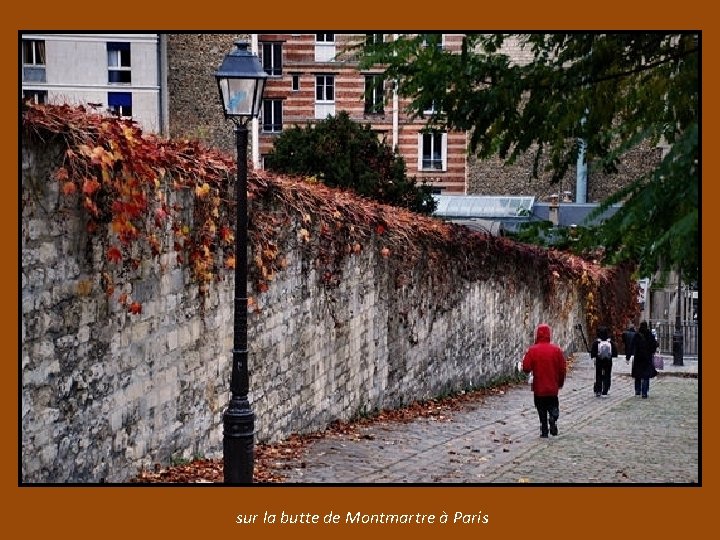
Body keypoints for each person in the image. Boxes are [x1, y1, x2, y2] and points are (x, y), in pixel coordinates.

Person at [521, 323, 567, 438]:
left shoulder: (532, 350)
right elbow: (562, 369)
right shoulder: (556, 350)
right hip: (552, 387)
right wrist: (560, 383)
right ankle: (553, 415)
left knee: (541, 408)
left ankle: (544, 430)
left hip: (539, 387)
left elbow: (526, 368)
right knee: (553, 405)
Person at [630, 321, 658, 398]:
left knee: (638, 374)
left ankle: (637, 390)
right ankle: (644, 392)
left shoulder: (637, 335)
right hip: (647, 357)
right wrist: (652, 352)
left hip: (638, 357)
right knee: (646, 375)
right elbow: (654, 346)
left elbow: (632, 345)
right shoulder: (650, 335)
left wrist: (628, 356)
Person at [590, 326, 618, 397]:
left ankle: (598, 390)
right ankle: (605, 389)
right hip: (608, 361)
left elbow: (592, 354)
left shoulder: (596, 343)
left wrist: (595, 356)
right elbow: (615, 353)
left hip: (599, 361)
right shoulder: (610, 342)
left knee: (598, 374)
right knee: (607, 374)